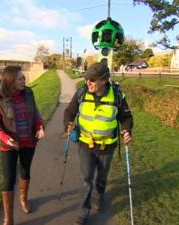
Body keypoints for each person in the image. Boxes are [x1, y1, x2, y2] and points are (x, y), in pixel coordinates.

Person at [63, 62, 133, 225]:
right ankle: (83, 212)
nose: (88, 83)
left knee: (101, 178)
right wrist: (67, 124)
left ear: (104, 80)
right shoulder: (81, 93)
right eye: (87, 79)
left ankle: (98, 196)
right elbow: (69, 112)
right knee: (86, 179)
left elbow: (126, 117)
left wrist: (126, 130)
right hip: (85, 145)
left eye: (92, 80)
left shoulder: (117, 96)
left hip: (107, 146)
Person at [0, 65, 45, 225]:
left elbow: (35, 113)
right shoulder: (0, 98)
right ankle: (9, 218)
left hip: (28, 141)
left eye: (23, 77)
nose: (24, 80)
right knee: (8, 178)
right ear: (11, 81)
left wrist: (40, 126)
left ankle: (23, 200)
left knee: (25, 171)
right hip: (9, 144)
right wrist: (5, 137)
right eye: (20, 78)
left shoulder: (29, 93)